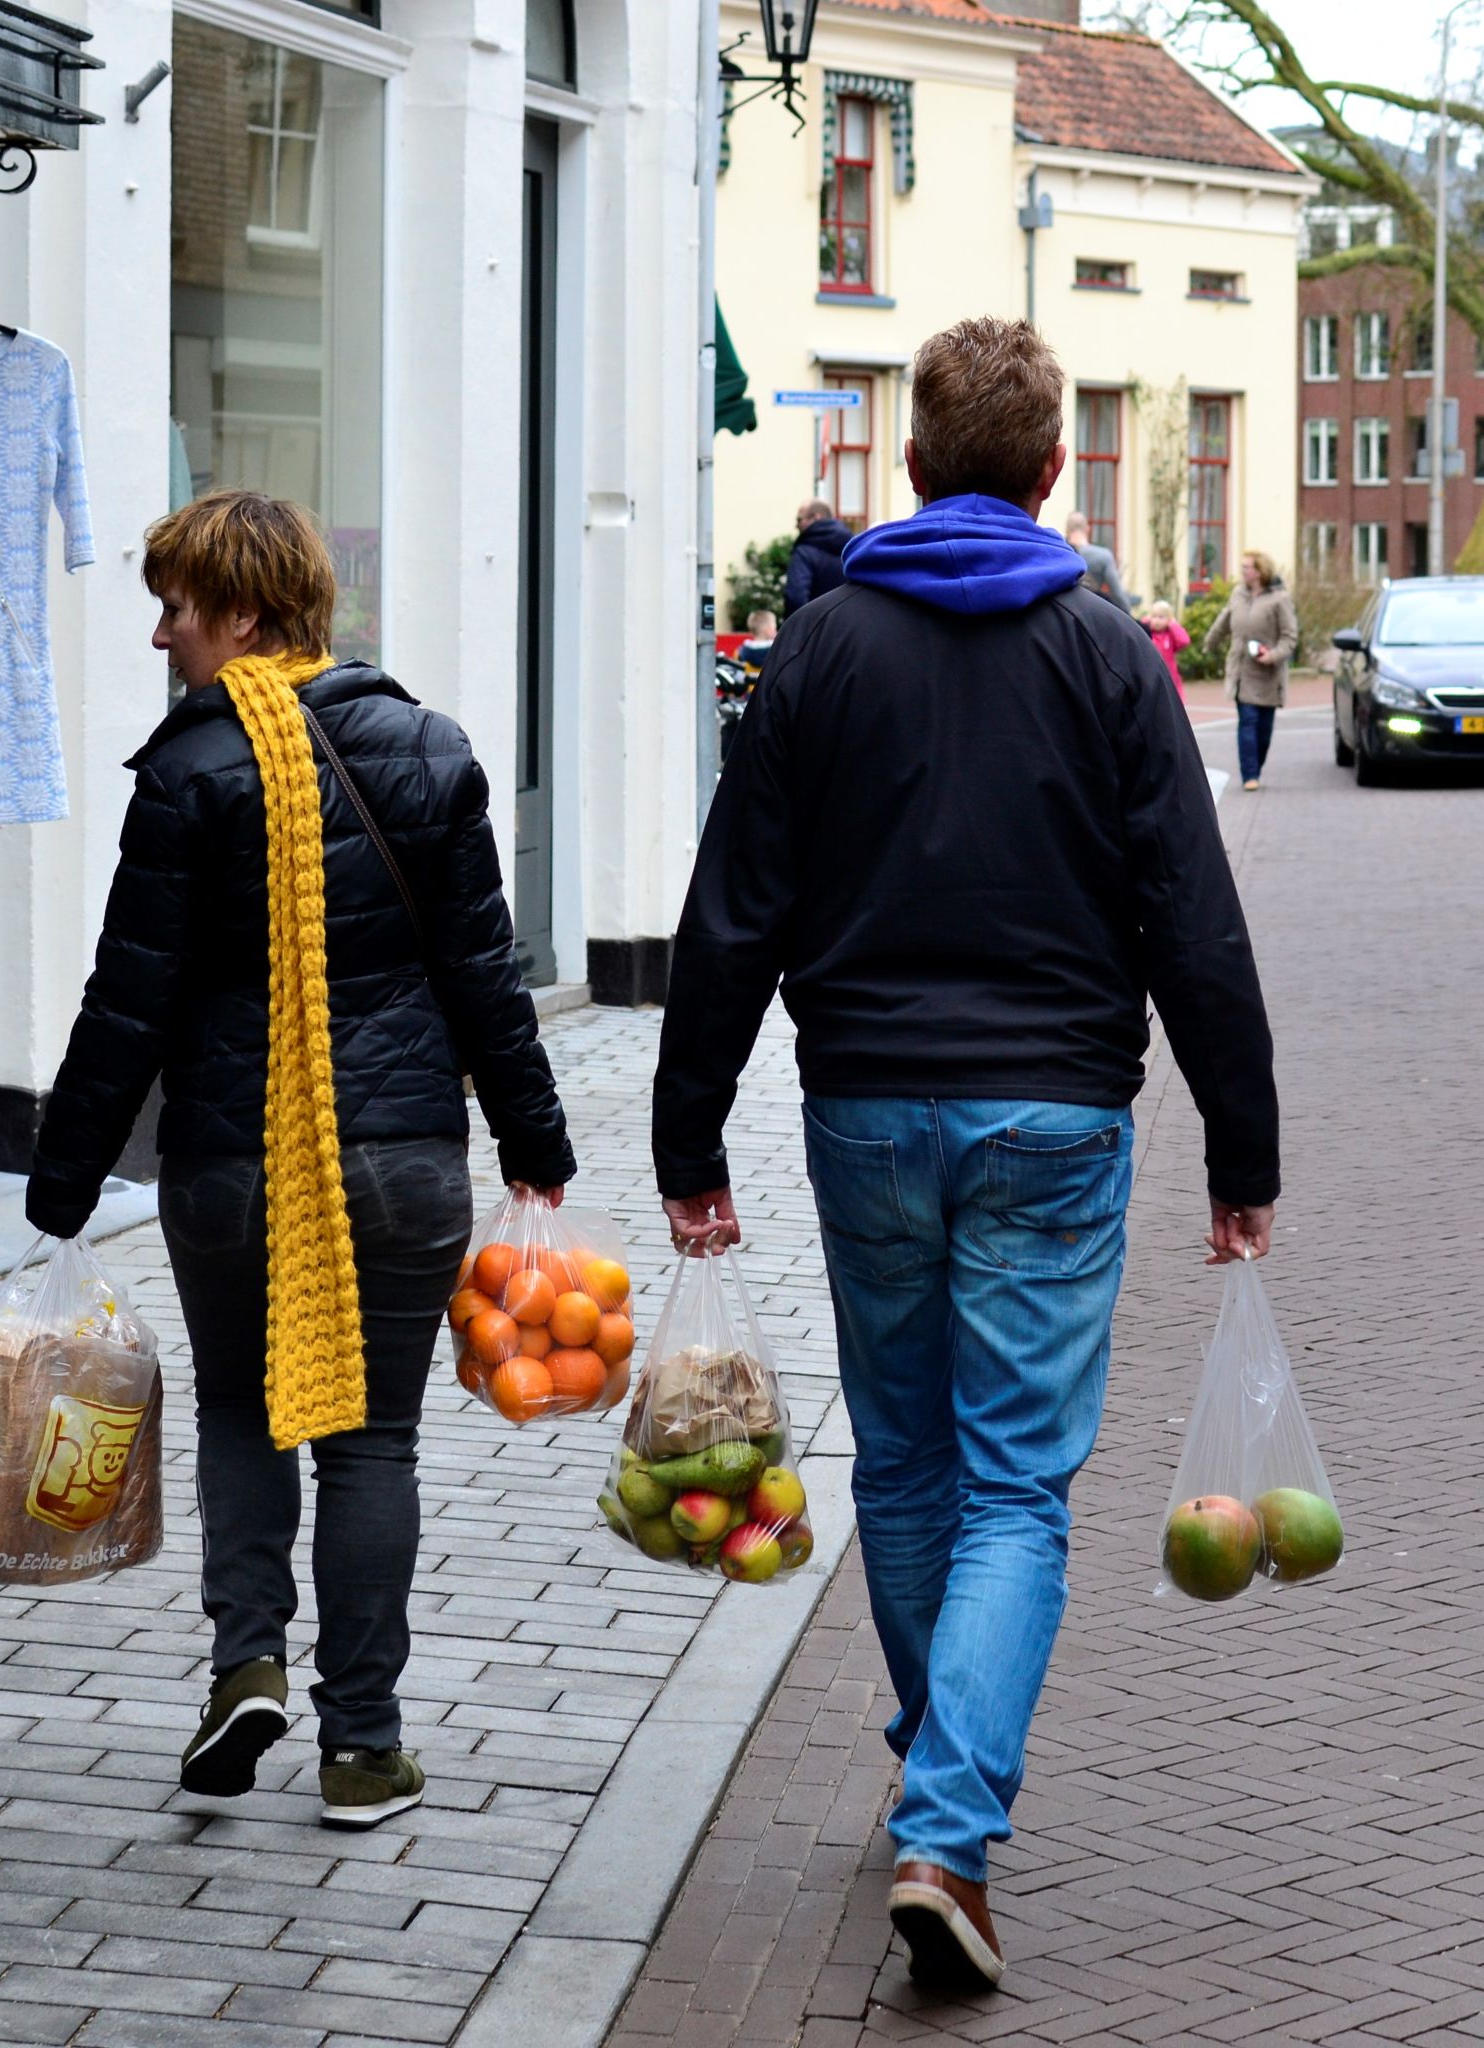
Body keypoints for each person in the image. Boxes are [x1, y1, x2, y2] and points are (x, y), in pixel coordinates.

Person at [651, 317, 1278, 1994]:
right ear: (1053, 465)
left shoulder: (819, 649)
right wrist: (1240, 1141)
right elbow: (1191, 921)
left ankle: (938, 1775)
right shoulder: (1108, 656)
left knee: (910, 1466)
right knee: (1013, 1483)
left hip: (864, 1109)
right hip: (1057, 1118)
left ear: (912, 464)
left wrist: (685, 1127)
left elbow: (732, 909)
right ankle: (947, 1826)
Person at [26, 489, 574, 1829]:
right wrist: (534, 1139)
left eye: (178, 608)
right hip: (399, 1164)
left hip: (228, 1166)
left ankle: (245, 1667)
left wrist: (62, 1177)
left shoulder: (187, 773)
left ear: (246, 613)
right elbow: (483, 979)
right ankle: (363, 1748)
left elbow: (127, 999)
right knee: (370, 1443)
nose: (162, 635)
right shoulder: (430, 751)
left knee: (238, 1412)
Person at [1205, 550, 1298, 790]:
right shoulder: (1238, 594)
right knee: (1247, 720)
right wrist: (1210, 643)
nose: (1243, 571)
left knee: (1263, 729)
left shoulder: (1279, 599)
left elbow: (1290, 637)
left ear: (1259, 571)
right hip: (1241, 670)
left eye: (1247, 567)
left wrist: (1273, 655)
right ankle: (1249, 775)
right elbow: (1224, 620)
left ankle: (1255, 765)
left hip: (1267, 673)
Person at [783, 498, 853, 613]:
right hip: (848, 625)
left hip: (816, 626)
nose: (797, 525)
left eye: (799, 519)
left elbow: (796, 598)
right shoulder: (851, 549)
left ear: (816, 517)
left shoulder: (804, 552)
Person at [1063, 510, 1135, 612]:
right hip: (1091, 611)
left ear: (1067, 530)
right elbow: (1118, 594)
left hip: (1066, 611)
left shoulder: (1061, 552)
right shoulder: (1103, 556)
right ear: (1087, 529)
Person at [1144, 599, 1190, 699]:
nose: (1156, 620)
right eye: (1154, 616)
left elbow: (1184, 641)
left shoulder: (1170, 635)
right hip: (1151, 676)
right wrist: (1146, 623)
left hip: (1170, 677)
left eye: (1161, 617)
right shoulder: (1148, 634)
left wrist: (1173, 624)